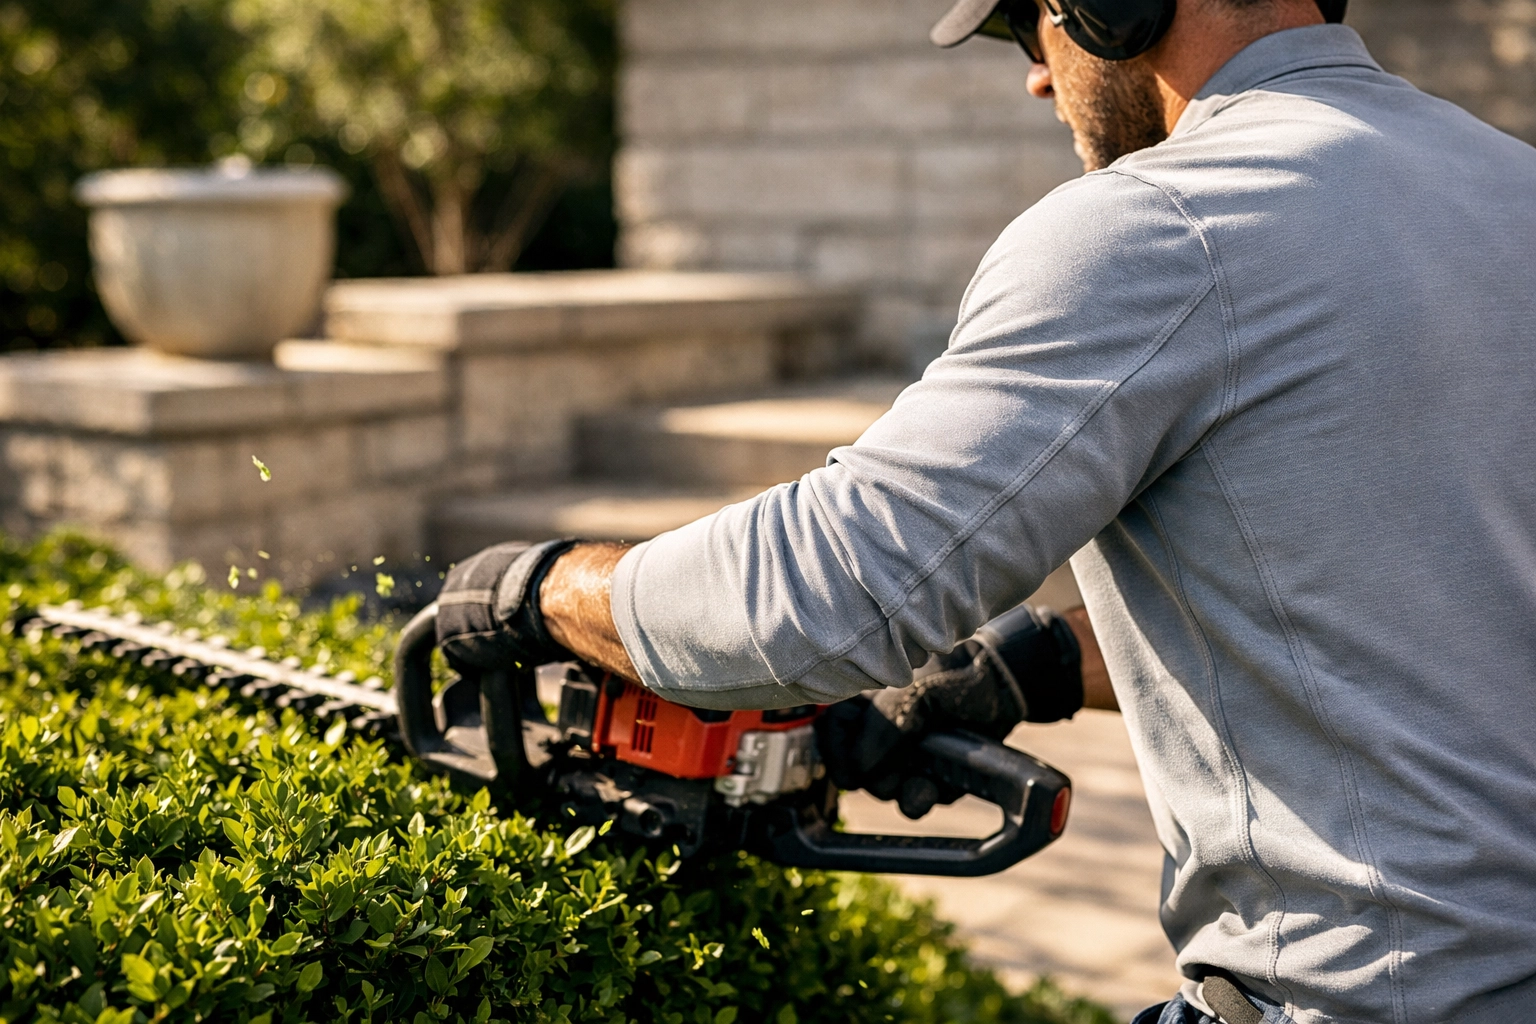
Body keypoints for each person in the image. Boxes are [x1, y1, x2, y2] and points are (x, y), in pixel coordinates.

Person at [433, 1, 1536, 1020]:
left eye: (1029, 24)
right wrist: (1031, 666)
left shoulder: (1161, 225)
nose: (1037, 83)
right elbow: (1414, 583)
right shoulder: (1508, 188)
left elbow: (821, 597)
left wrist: (538, 588)